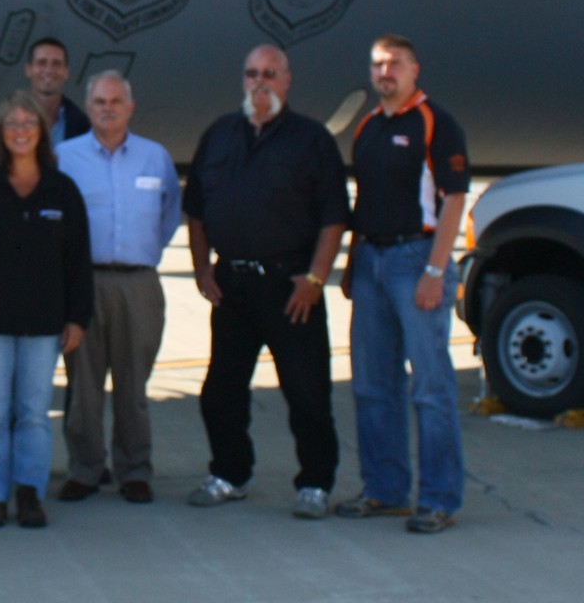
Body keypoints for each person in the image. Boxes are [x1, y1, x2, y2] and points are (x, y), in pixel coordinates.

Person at [182, 45, 348, 520]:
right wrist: (200, 268)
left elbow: (333, 219)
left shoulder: (311, 140)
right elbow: (195, 211)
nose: (261, 82)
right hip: (232, 287)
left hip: (291, 288)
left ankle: (315, 482)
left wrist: (316, 279)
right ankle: (230, 474)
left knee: (307, 393)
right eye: (252, 73)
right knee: (221, 392)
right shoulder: (218, 136)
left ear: (287, 81)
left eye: (270, 74)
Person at [336, 35, 471, 535]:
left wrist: (435, 273)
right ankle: (384, 490)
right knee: (372, 385)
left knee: (430, 388)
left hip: (417, 259)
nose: (385, 71)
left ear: (415, 69)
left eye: (394, 63)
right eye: (377, 64)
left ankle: (438, 499)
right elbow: (364, 200)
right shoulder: (368, 127)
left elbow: (454, 200)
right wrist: (353, 266)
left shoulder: (436, 122)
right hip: (371, 259)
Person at [0, 91, 93, 529]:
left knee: (33, 412)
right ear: (0, 134)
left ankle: (29, 493)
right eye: (11, 124)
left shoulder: (62, 190)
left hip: (45, 324)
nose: (20, 131)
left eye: (28, 123)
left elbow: (78, 260)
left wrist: (77, 317)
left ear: (42, 132)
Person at [54, 71, 180, 504]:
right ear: (88, 109)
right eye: (99, 102)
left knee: (133, 383)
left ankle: (134, 469)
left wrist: (141, 252)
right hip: (83, 281)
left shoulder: (155, 157)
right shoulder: (65, 157)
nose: (108, 108)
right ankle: (86, 469)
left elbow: (169, 216)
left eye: (116, 101)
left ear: (130, 106)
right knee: (83, 384)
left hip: (138, 283)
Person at [24, 38, 90, 145]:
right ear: (28, 70)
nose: (49, 70)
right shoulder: (7, 119)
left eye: (57, 64)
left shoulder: (82, 125)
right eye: (42, 63)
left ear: (66, 72)